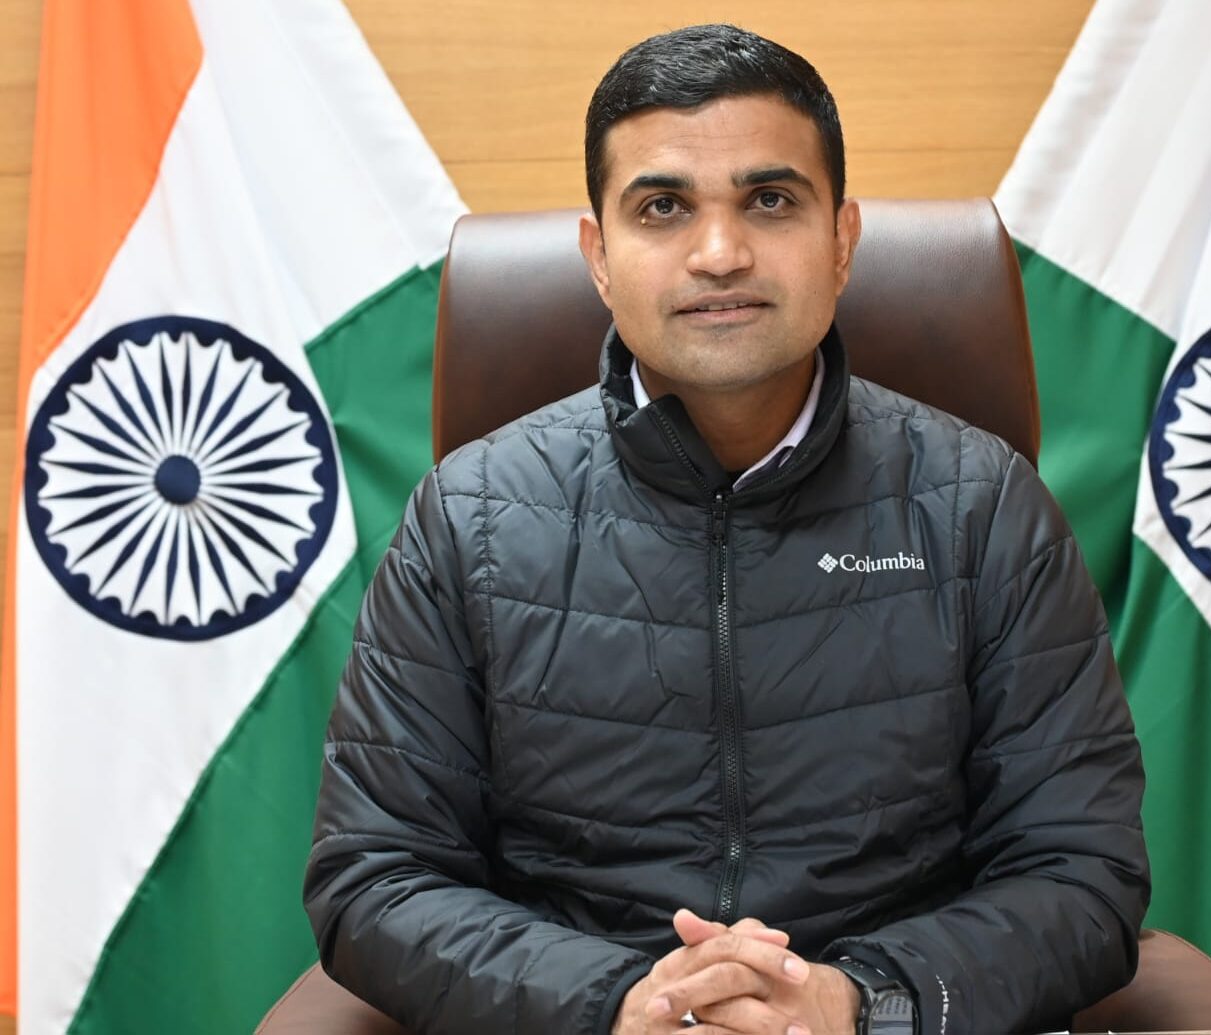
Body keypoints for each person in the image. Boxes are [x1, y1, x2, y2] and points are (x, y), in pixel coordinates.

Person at [304, 23, 1149, 1035]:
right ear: (599, 258)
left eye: (770, 200)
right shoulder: (466, 518)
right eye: (662, 207)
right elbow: (376, 875)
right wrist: (619, 1003)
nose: (719, 254)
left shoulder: (982, 506)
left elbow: (1081, 873)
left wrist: (859, 1002)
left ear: (841, 242)